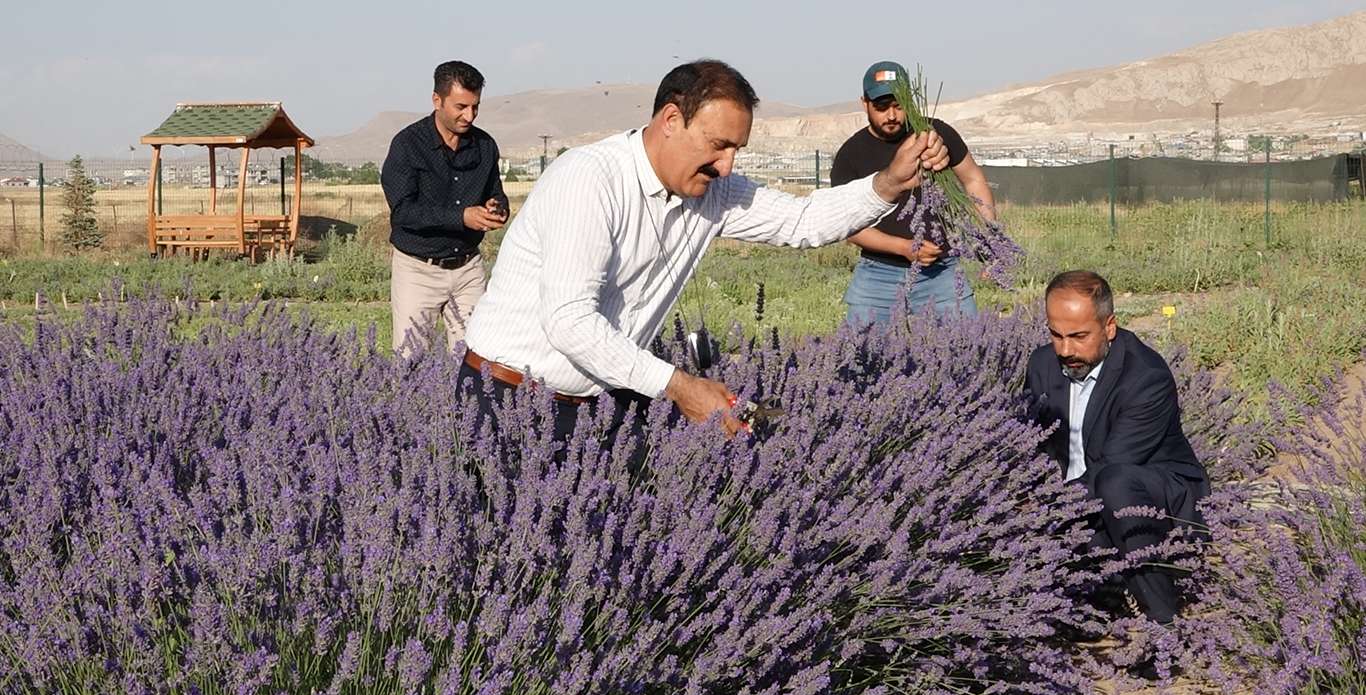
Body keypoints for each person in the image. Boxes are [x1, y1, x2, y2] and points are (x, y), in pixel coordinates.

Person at [461, 59, 948, 450]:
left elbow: (801, 221)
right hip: (506, 401)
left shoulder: (710, 192)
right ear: (671, 120)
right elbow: (569, 321)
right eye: (718, 146)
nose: (726, 165)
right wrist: (680, 387)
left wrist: (888, 183)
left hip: (600, 403)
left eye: (737, 149)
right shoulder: (589, 180)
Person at [1025, 270, 1211, 625]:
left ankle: (1165, 626)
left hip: (1156, 507)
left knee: (1115, 482)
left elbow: (1108, 470)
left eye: (1079, 336)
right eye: (1056, 335)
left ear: (1109, 327)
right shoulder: (1042, 364)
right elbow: (1038, 447)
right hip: (1082, 506)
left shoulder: (1145, 377)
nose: (1065, 350)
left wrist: (1043, 515)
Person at [830, 60, 996, 324]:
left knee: (968, 351)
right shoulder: (851, 155)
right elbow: (848, 227)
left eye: (898, 105)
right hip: (877, 274)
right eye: (881, 107)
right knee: (862, 355)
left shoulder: (935, 134)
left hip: (941, 271)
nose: (892, 115)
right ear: (864, 103)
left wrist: (989, 236)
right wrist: (905, 247)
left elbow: (973, 179)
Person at [382, 60, 508, 355]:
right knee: (409, 361)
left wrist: (498, 207)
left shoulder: (485, 146)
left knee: (476, 359)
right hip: (418, 270)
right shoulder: (407, 145)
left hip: (468, 270)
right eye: (461, 106)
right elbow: (404, 212)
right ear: (437, 100)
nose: (470, 115)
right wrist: (461, 217)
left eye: (475, 106)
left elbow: (496, 193)